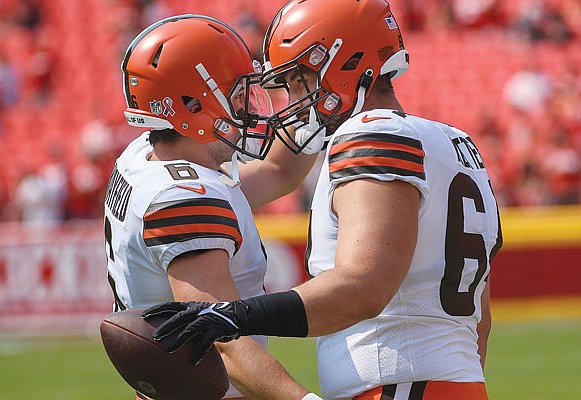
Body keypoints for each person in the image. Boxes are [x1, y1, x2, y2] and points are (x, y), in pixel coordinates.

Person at [142, 1, 504, 399]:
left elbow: (362, 286)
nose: (294, 99)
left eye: (300, 80)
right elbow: (479, 319)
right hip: (453, 384)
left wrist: (234, 316)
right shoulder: (457, 143)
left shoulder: (373, 133)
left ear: (345, 64)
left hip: (397, 387)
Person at [105, 15, 321, 400]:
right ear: (191, 104)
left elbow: (276, 169)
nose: (247, 107)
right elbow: (222, 338)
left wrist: (316, 112)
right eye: (237, 95)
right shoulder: (184, 196)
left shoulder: (146, 156)